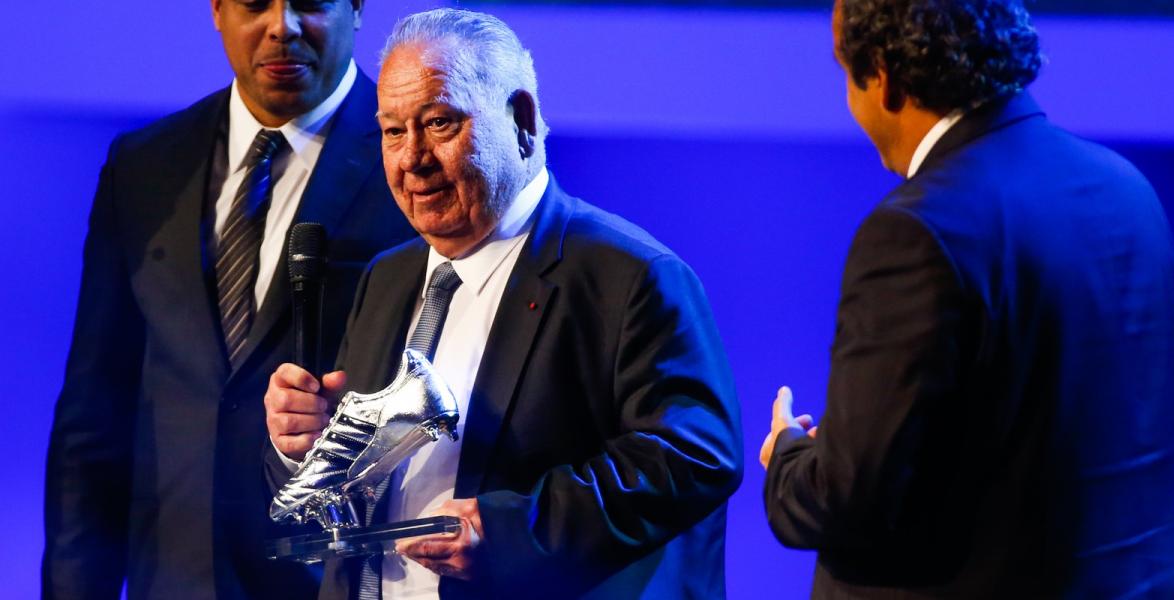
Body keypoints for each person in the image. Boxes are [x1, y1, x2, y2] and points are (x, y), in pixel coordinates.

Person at [264, 8, 743, 599]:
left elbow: (692, 457)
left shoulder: (630, 276)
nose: (411, 158)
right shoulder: (385, 279)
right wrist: (307, 443)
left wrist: (514, 530)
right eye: (392, 130)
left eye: (438, 122)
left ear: (522, 120)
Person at [760, 0, 1174, 597]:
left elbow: (849, 500)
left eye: (846, 74)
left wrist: (787, 457)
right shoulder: (1126, 188)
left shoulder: (917, 230)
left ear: (883, 77)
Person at [42, 1, 415, 598]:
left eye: (311, 3)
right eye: (253, 3)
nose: (282, 26)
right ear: (216, 10)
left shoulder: (414, 163)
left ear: (356, 8)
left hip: (332, 579)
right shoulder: (144, 166)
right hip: (170, 573)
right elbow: (94, 413)